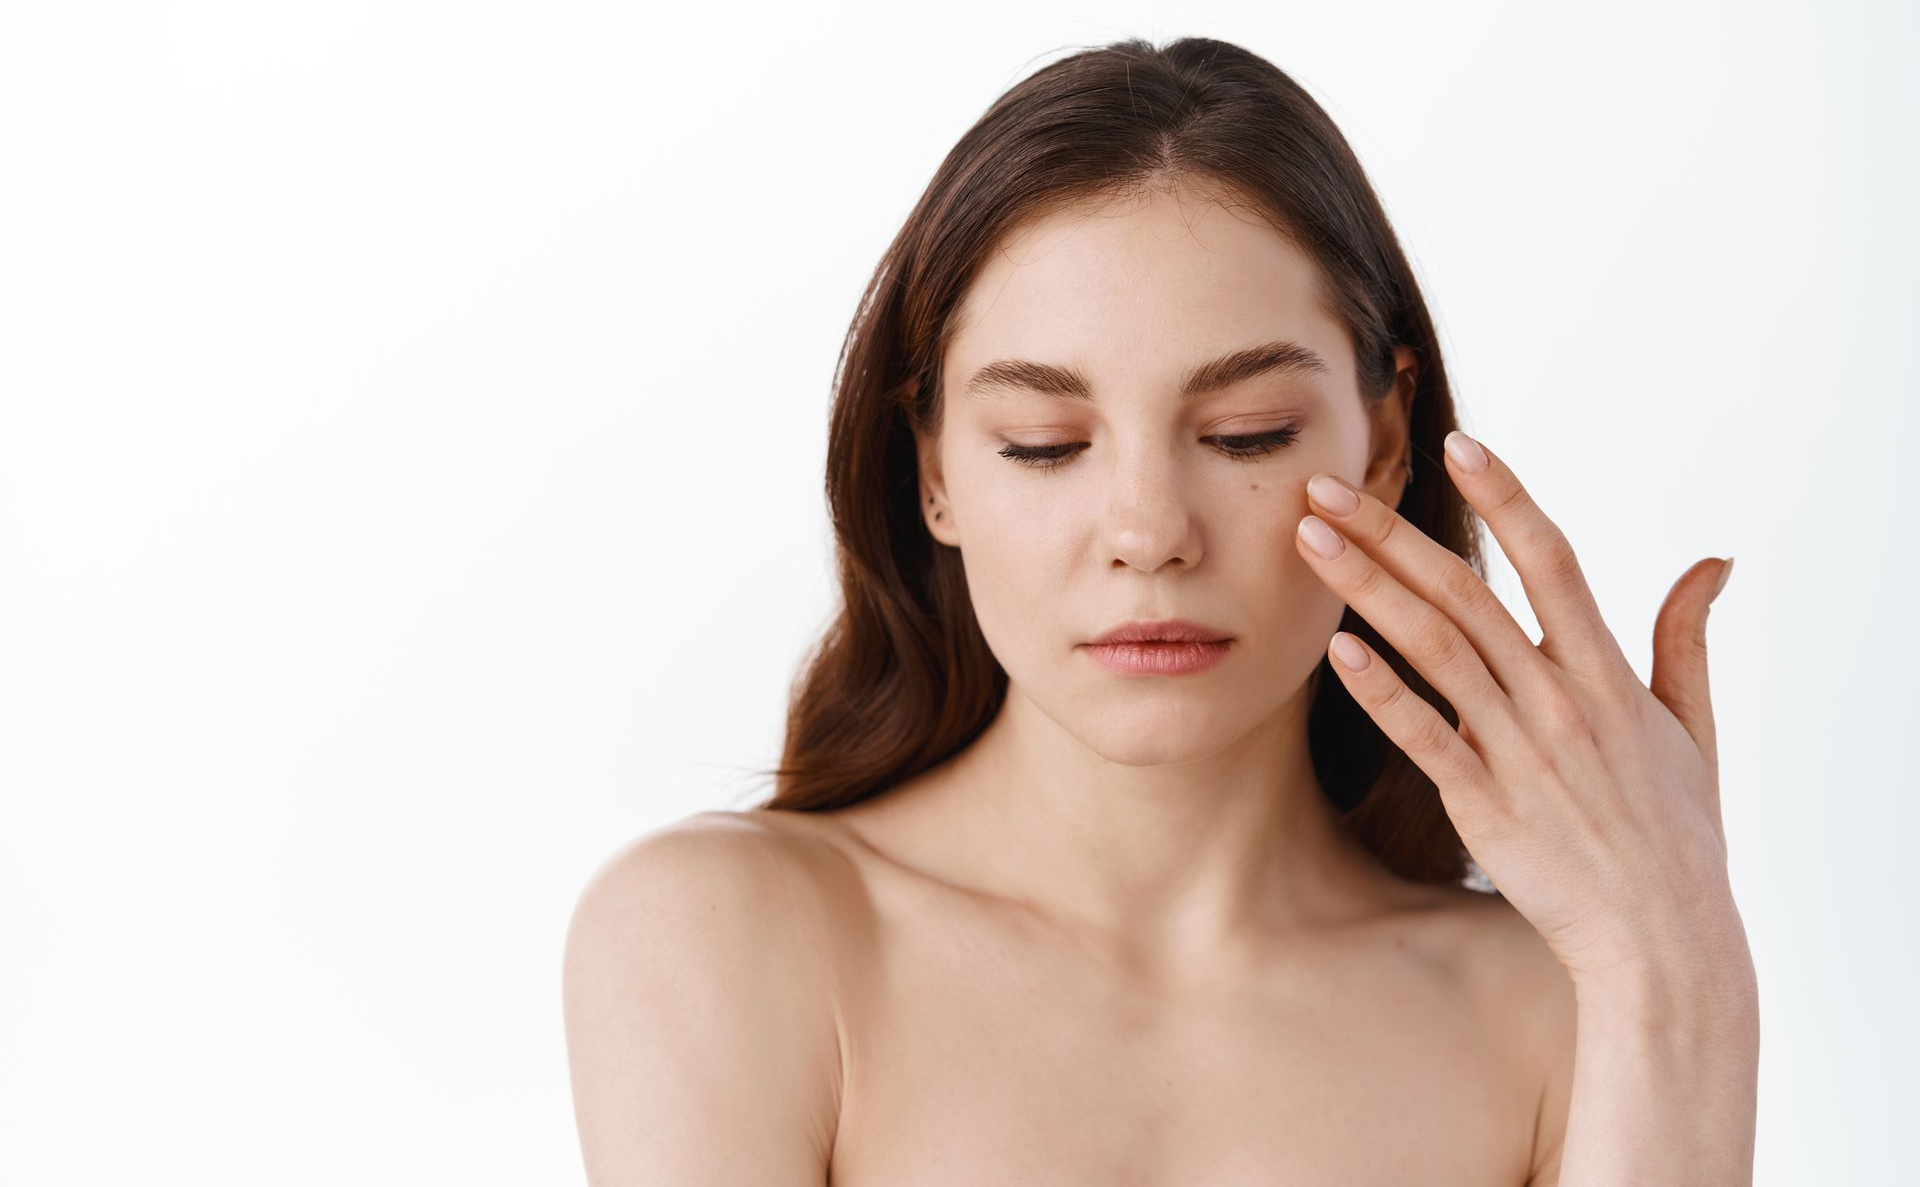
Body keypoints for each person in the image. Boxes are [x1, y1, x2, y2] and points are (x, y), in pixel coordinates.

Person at [562, 35, 1757, 1186]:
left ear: (1386, 443)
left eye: (1248, 434)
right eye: (1044, 445)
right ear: (933, 471)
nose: (1148, 532)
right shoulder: (726, 940)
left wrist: (1677, 952)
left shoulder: (1567, 1003)